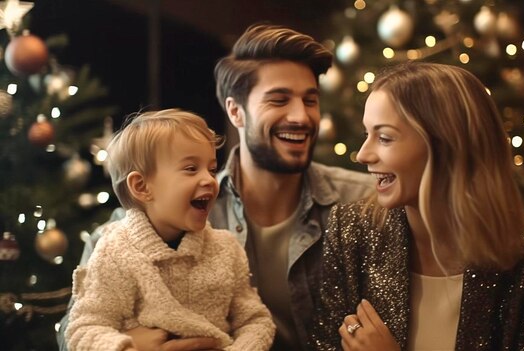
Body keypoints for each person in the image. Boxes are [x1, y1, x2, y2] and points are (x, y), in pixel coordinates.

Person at [57, 24, 373, 351]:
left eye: (310, 100)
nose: (301, 116)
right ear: (235, 111)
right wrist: (131, 345)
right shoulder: (138, 229)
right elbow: (76, 328)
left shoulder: (363, 202)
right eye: (279, 100)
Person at [312, 62, 524, 350]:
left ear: (447, 146)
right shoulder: (351, 232)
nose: (363, 155)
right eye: (366, 135)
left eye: (384, 137)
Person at [65, 109, 275, 351]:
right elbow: (84, 328)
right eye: (191, 169)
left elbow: (255, 320)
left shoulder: (226, 248)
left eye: (212, 169)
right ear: (142, 186)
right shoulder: (114, 252)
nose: (209, 179)